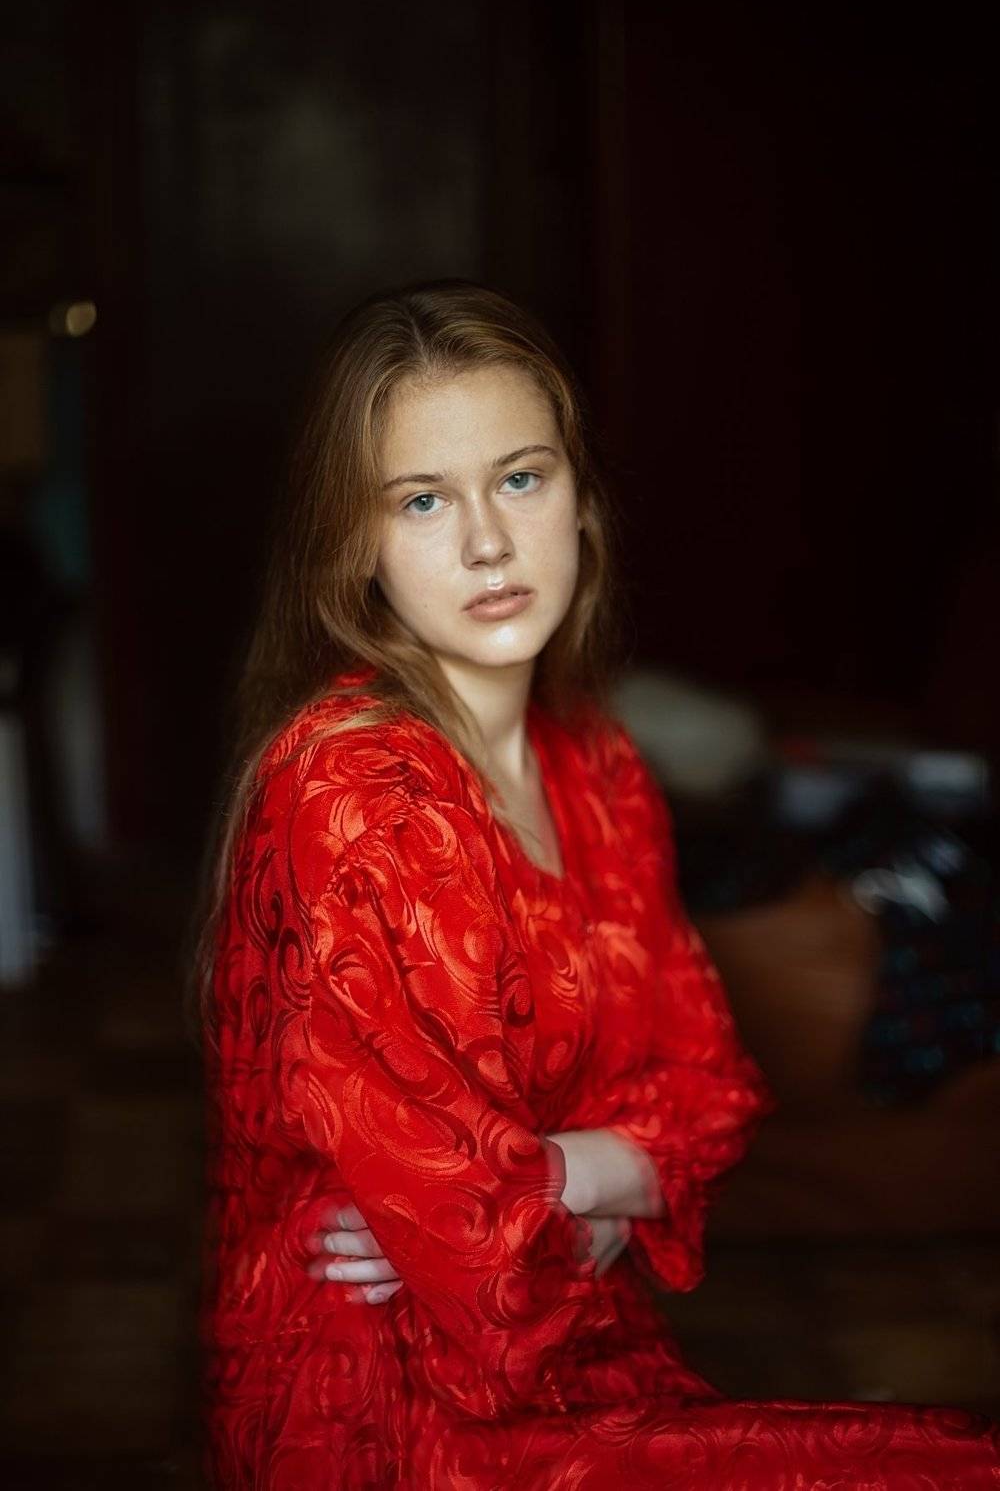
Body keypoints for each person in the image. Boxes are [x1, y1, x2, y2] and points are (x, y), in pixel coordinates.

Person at [193, 279, 1000, 1488]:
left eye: (520, 479)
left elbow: (707, 1087)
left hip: (588, 1350)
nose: (486, 543)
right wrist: (588, 1174)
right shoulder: (353, 787)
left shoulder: (597, 763)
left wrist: (569, 1172)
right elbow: (467, 1237)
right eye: (422, 500)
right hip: (391, 1404)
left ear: (578, 498)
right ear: (354, 545)